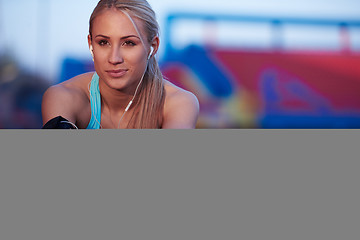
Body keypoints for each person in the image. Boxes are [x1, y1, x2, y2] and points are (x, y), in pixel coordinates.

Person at [42, 0, 199, 129]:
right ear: (91, 44)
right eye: (103, 42)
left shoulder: (178, 103)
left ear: (153, 46)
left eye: (129, 43)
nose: (114, 58)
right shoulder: (63, 97)